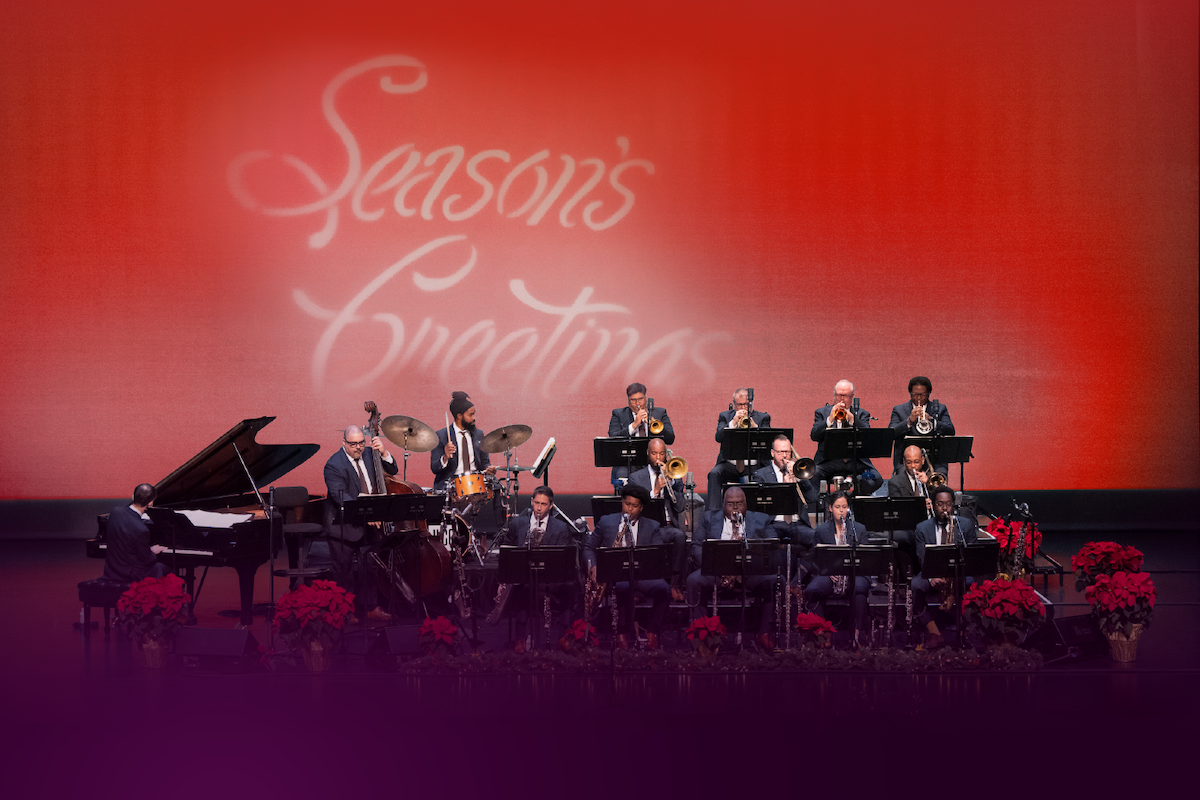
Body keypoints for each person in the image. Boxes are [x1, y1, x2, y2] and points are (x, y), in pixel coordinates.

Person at [686, 487, 778, 650]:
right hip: (718, 571)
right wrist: (715, 566)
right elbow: (696, 546)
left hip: (748, 573)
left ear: (746, 504)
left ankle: (764, 633)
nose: (735, 508)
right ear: (723, 504)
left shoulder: (761, 519)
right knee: (693, 580)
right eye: (730, 504)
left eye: (739, 503)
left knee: (775, 581)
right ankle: (703, 633)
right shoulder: (708, 518)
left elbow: (772, 546)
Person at [323, 425, 398, 623]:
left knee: (370, 568)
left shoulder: (369, 455)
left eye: (361, 443)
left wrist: (383, 452)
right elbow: (342, 498)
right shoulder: (333, 465)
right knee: (343, 572)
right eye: (353, 444)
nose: (358, 447)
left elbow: (392, 469)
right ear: (344, 443)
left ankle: (370, 608)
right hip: (343, 527)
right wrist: (368, 513)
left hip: (368, 526)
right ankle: (344, 612)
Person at [584, 483, 671, 649]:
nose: (629, 509)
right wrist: (593, 567)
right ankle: (621, 634)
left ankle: (652, 632)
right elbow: (589, 547)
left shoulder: (652, 526)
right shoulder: (606, 521)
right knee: (623, 587)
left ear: (642, 508)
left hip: (643, 574)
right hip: (616, 574)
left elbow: (658, 554)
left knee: (664, 590)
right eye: (627, 504)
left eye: (634, 506)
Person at [496, 486, 578, 653]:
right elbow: (507, 550)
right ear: (531, 501)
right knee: (521, 587)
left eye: (544, 504)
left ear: (551, 506)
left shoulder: (561, 528)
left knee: (569, 587)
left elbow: (562, 559)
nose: (539, 508)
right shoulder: (518, 523)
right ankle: (520, 638)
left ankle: (563, 636)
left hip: (551, 579)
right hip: (525, 577)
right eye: (537, 503)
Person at [911, 485, 978, 649]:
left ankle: (964, 631)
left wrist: (952, 580)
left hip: (958, 573)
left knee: (971, 583)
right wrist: (931, 576)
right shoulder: (922, 527)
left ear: (953, 504)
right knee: (915, 585)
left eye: (948, 504)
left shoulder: (966, 525)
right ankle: (933, 632)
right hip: (933, 573)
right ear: (934, 505)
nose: (944, 508)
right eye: (940, 504)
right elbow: (922, 556)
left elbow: (971, 557)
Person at [802, 491, 871, 648]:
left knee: (859, 588)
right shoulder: (821, 530)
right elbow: (816, 558)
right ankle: (823, 634)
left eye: (844, 507)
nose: (841, 510)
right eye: (838, 507)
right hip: (830, 574)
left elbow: (866, 557)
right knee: (813, 589)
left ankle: (857, 635)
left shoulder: (859, 529)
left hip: (854, 574)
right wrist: (829, 571)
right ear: (830, 508)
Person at [628, 438, 689, 599]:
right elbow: (634, 508)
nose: (658, 458)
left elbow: (680, 507)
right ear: (648, 453)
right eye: (654, 453)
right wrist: (654, 491)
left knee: (680, 536)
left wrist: (672, 485)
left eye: (661, 454)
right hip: (644, 525)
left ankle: (674, 585)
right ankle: (643, 587)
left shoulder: (674, 476)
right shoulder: (636, 477)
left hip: (667, 526)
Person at [810, 380, 882, 495]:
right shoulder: (821, 413)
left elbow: (868, 436)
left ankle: (852, 500)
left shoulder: (862, 414)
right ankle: (821, 504)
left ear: (852, 397)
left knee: (876, 478)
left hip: (855, 462)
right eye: (839, 395)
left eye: (846, 396)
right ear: (834, 395)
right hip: (829, 462)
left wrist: (853, 420)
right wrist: (829, 419)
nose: (841, 399)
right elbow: (814, 435)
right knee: (812, 474)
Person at [706, 388, 771, 510]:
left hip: (754, 465)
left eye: (745, 404)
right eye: (739, 404)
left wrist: (755, 427)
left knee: (767, 476)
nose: (742, 407)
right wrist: (733, 422)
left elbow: (768, 442)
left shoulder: (763, 418)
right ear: (734, 404)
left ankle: (763, 517)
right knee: (714, 474)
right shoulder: (725, 416)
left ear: (751, 403)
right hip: (730, 465)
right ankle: (713, 515)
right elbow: (718, 437)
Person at [606, 382, 674, 485]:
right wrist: (634, 425)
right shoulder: (618, 414)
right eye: (633, 400)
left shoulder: (660, 413)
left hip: (654, 461)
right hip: (628, 462)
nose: (638, 403)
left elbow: (670, 439)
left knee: (669, 474)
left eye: (641, 399)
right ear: (628, 400)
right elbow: (613, 437)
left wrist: (655, 425)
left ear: (646, 398)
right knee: (621, 473)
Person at [102, 483, 170, 582]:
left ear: (133, 497)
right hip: (131, 575)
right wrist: (152, 551)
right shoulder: (141, 529)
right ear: (150, 503)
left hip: (112, 570)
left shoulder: (114, 512)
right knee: (166, 569)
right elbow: (147, 561)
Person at [431, 391, 496, 492]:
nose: (474, 418)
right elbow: (434, 468)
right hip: (451, 484)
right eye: (471, 415)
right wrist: (445, 457)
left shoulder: (479, 434)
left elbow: (485, 462)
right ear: (459, 416)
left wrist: (489, 469)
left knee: (498, 488)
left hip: (475, 482)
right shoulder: (441, 436)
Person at [889, 376, 955, 475]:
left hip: (935, 459)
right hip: (907, 460)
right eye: (915, 394)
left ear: (929, 393)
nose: (919, 398)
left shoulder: (940, 409)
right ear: (910, 393)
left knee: (939, 480)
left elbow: (950, 430)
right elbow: (891, 433)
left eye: (923, 395)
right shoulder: (899, 410)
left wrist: (932, 421)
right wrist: (909, 421)